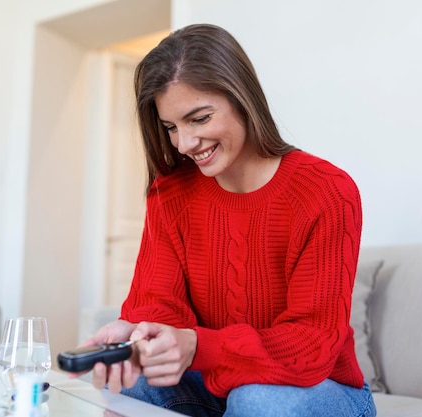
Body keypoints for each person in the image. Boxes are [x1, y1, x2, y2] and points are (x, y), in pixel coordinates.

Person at [77, 23, 377, 417]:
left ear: (242, 97)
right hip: (215, 382)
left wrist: (198, 346)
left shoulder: (326, 191)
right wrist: (138, 332)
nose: (184, 144)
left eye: (198, 119)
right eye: (170, 127)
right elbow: (159, 302)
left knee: (256, 399)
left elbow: (312, 343)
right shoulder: (171, 194)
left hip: (318, 387)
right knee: (134, 385)